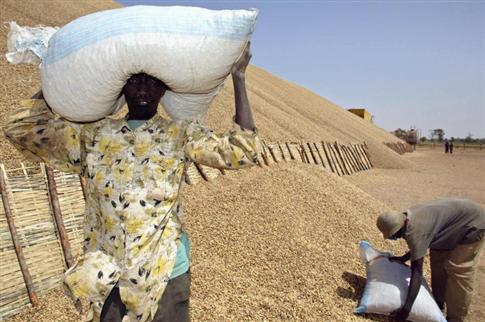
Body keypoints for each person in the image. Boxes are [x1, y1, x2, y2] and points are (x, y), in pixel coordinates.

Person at [3, 44, 260, 322]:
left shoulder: (179, 134)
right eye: (134, 81)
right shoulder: (95, 135)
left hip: (165, 272)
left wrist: (239, 77)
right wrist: (58, 75)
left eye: (152, 83)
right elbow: (22, 129)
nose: (142, 90)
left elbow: (244, 151)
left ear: (163, 91)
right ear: (122, 89)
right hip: (109, 272)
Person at [376, 198, 485, 322]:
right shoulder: (408, 218)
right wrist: (403, 258)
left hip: (473, 223)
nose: (395, 238)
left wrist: (406, 310)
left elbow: (417, 273)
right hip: (450, 227)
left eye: (393, 236)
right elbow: (421, 244)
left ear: (397, 230)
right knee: (437, 262)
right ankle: (438, 303)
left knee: (458, 269)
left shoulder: (415, 232)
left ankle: (456, 318)